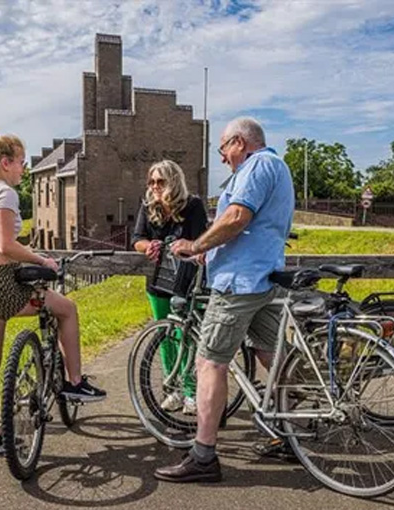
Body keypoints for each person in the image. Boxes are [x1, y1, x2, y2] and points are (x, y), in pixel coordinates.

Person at [154, 117, 295, 483]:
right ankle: (291, 433)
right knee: (272, 354)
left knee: (209, 362)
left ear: (238, 142)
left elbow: (236, 216)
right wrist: (210, 253)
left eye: (223, 149)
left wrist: (196, 244)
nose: (222, 158)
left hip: (240, 284)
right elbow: (246, 228)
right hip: (263, 278)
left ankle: (203, 454)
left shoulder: (258, 164)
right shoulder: (277, 167)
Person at [0, 129, 106, 458]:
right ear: (5, 162)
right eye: (21, 163)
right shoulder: (6, 194)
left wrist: (29, 253)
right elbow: (6, 245)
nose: (24, 170)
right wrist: (43, 259)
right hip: (1, 283)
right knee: (67, 308)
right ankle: (73, 382)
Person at [132, 160, 209, 415]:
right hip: (158, 279)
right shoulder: (148, 206)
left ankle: (190, 390)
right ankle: (172, 389)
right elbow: (137, 239)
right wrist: (149, 246)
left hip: (186, 279)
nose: (155, 186)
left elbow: (199, 240)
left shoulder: (193, 206)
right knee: (164, 335)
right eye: (152, 181)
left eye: (160, 181)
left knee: (185, 335)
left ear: (174, 181)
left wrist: (187, 244)